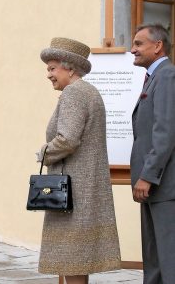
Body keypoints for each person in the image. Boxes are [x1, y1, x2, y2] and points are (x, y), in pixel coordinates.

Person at [35, 37, 121, 284]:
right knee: (76, 261)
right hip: (83, 188)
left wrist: (43, 152)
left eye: (52, 68)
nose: (48, 74)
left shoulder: (74, 93)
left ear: (70, 68)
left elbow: (67, 140)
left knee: (72, 261)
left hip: (72, 192)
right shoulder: (89, 92)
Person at [130, 23, 175, 284]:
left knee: (168, 259)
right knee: (154, 258)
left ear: (157, 46)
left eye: (138, 44)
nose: (133, 49)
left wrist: (147, 176)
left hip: (163, 186)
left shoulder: (167, 76)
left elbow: (165, 132)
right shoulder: (154, 77)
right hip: (153, 187)